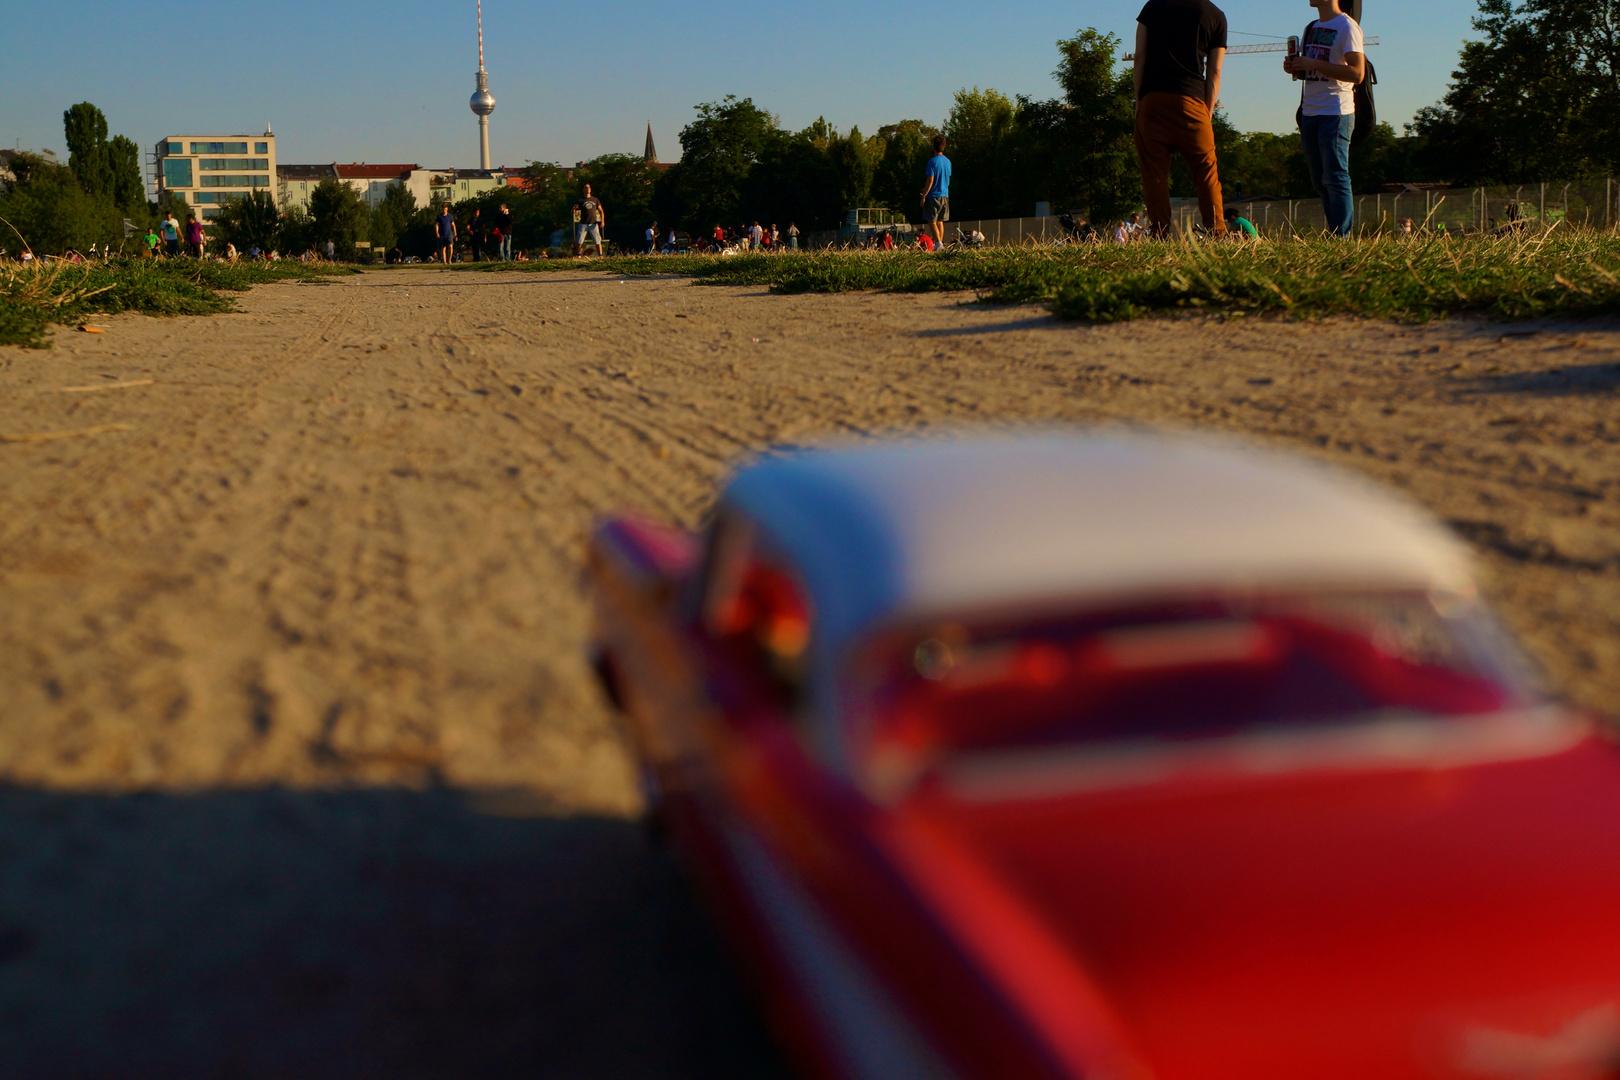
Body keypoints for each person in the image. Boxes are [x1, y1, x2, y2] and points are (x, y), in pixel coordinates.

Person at [1133, 0, 1228, 238]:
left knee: (1154, 174)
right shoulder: (1215, 15)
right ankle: (1216, 231)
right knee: (1206, 170)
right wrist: (1207, 111)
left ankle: (1159, 231)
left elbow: (1140, 56)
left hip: (1153, 101)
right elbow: (1215, 72)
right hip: (1192, 100)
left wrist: (1139, 101)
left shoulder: (1153, 6)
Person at [1285, 0, 1364, 237]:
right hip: (1310, 112)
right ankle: (1334, 232)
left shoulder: (1347, 26)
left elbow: (1357, 73)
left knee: (1336, 176)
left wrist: (1312, 63)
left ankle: (1342, 237)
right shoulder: (1311, 27)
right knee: (1320, 181)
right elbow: (1314, 71)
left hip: (1336, 112)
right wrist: (1295, 67)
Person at [919, 135, 951, 248]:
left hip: (933, 196)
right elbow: (943, 178)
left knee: (931, 220)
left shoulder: (932, 162)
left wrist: (924, 196)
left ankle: (938, 243)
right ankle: (939, 244)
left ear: (933, 147)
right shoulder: (948, 162)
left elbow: (931, 179)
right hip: (945, 194)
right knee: (940, 221)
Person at [575, 184, 605, 257]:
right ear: (583, 190)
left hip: (593, 224)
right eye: (586, 187)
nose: (588, 188)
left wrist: (602, 221)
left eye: (589, 187)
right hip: (583, 223)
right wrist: (574, 209)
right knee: (579, 241)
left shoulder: (595, 199)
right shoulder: (580, 200)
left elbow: (601, 210)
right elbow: (575, 210)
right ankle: (578, 256)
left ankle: (600, 256)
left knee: (597, 241)